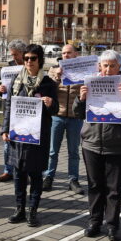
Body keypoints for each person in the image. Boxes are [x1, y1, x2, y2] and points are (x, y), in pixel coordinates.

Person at [74, 49, 121, 241]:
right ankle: (94, 222)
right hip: (91, 143)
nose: (108, 69)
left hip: (117, 146)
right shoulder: (89, 84)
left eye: (112, 66)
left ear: (119, 67)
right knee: (95, 186)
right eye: (105, 65)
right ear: (99, 66)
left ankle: (112, 225)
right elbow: (78, 113)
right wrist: (81, 100)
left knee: (113, 189)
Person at [1, 45, 58, 226]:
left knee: (35, 175)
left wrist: (51, 103)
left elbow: (55, 110)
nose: (29, 62)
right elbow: (9, 105)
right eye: (26, 58)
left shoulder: (48, 83)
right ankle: (19, 209)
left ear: (40, 60)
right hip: (18, 136)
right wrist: (4, 129)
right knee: (18, 174)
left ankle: (33, 211)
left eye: (33, 58)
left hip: (37, 136)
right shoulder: (17, 81)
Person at [44, 44, 85, 194]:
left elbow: (89, 90)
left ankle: (73, 179)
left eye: (68, 53)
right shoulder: (54, 69)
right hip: (57, 115)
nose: (65, 55)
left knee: (73, 151)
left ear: (76, 54)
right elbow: (47, 90)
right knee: (52, 150)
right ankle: (48, 177)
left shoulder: (83, 70)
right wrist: (57, 77)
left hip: (75, 117)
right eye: (63, 53)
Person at [0, 39, 26, 182]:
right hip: (10, 106)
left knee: (25, 141)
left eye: (16, 54)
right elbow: (4, 89)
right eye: (12, 55)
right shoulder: (8, 67)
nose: (13, 57)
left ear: (23, 53)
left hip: (25, 108)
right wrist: (0, 90)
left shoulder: (30, 65)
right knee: (7, 140)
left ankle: (24, 171)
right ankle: (8, 170)